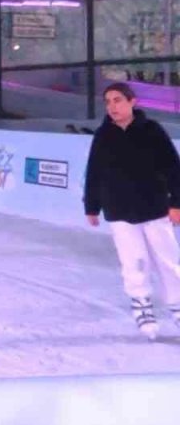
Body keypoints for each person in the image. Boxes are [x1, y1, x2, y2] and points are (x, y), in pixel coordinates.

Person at [83, 82, 180, 341]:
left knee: (168, 261)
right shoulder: (103, 136)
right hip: (120, 210)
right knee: (135, 262)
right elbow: (94, 172)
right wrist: (91, 206)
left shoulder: (152, 131)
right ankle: (142, 305)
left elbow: (173, 168)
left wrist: (177, 204)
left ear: (132, 102)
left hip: (155, 208)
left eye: (117, 100)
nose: (112, 106)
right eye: (108, 102)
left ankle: (177, 306)